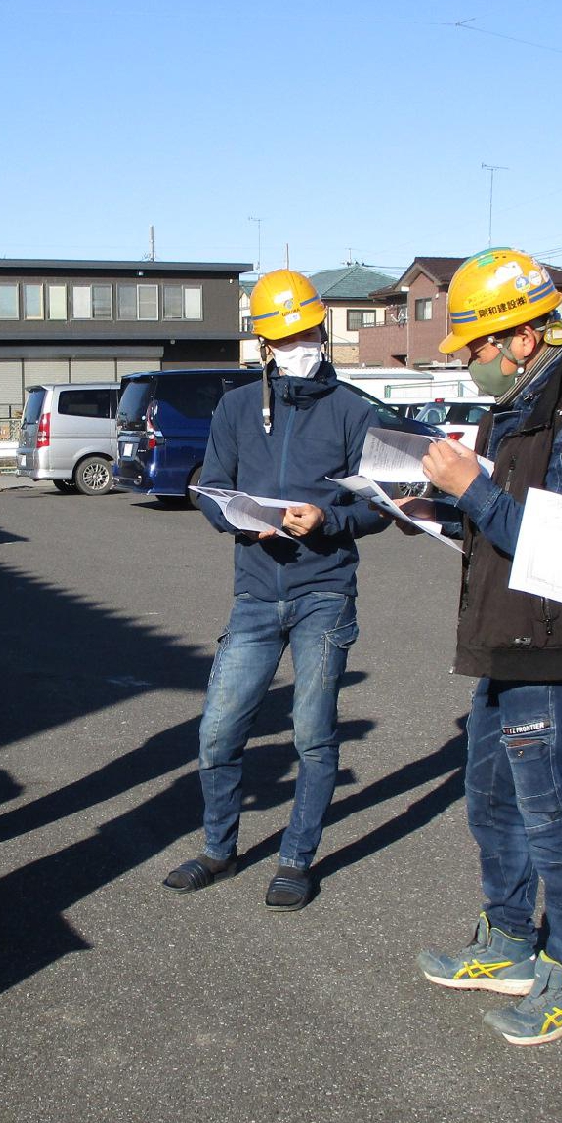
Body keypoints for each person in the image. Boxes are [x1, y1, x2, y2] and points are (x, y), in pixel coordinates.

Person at [410, 247, 562, 1046]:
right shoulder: (523, 407)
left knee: (554, 821)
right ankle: (508, 940)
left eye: (475, 348)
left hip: (557, 651)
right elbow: (509, 520)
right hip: (507, 643)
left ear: (524, 337)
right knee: (492, 801)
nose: (470, 365)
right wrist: (442, 508)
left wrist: (470, 488)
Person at [160, 268, 390, 910]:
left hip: (324, 591)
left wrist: (330, 519)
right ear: (264, 345)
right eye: (285, 337)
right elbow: (209, 488)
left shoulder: (353, 410)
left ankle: (296, 858)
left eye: (308, 332)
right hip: (256, 593)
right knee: (218, 730)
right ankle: (218, 848)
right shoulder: (235, 408)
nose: (300, 344)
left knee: (313, 733)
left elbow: (378, 506)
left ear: (323, 330)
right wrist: (238, 519)